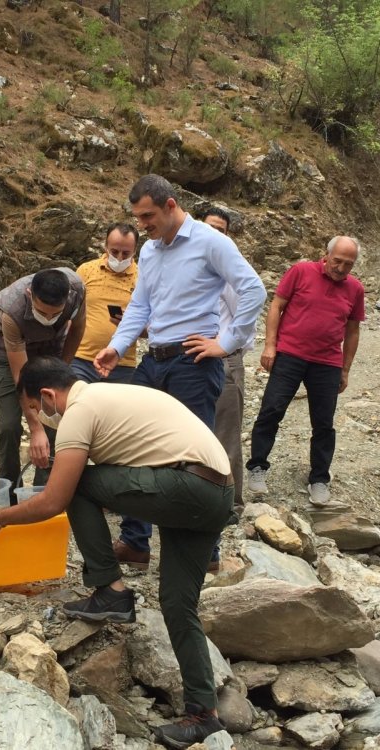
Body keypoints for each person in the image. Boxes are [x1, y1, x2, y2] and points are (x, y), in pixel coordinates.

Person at [0, 357, 232, 749]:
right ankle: (203, 714)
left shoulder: (79, 410)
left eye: (36, 408)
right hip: (215, 492)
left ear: (48, 395)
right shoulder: (108, 396)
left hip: (186, 485)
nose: (41, 416)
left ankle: (110, 590)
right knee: (178, 604)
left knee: (77, 485)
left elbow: (54, 500)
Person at [93, 174, 265, 568]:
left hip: (193, 362)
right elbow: (140, 306)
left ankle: (205, 552)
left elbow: (253, 289)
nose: (142, 225)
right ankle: (136, 542)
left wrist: (226, 343)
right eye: (138, 217)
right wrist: (116, 347)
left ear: (170, 206)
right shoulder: (151, 251)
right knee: (133, 445)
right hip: (153, 360)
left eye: (147, 216)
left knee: (195, 457)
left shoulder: (211, 241)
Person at [245, 236, 365, 506]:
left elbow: (353, 330)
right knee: (271, 410)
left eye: (348, 264)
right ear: (326, 255)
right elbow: (277, 305)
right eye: (337, 261)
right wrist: (270, 345)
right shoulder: (301, 271)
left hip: (328, 363)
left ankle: (319, 479)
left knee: (323, 423)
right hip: (289, 355)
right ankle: (257, 466)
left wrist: (345, 369)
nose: (341, 268)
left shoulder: (355, 289)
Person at [0, 268, 87, 495]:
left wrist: (61, 370)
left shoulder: (77, 291)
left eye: (56, 314)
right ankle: (10, 494)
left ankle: (44, 493)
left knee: (54, 422)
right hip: (12, 357)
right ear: (29, 294)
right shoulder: (12, 310)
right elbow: (21, 379)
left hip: (52, 351)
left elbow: (78, 329)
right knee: (8, 427)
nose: (48, 319)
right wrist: (35, 428)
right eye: (42, 312)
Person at [202, 206, 256, 510]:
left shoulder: (233, 271)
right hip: (191, 356)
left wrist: (226, 348)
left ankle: (230, 504)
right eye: (209, 227)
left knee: (226, 433)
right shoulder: (189, 265)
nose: (214, 234)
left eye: (220, 230)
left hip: (224, 359)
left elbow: (246, 316)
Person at [72, 223, 140, 384]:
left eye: (126, 253)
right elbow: (69, 310)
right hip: (81, 359)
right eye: (114, 252)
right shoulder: (86, 270)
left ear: (135, 251)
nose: (120, 258)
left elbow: (153, 327)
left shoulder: (143, 278)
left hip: (122, 364)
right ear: (105, 246)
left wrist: (130, 323)